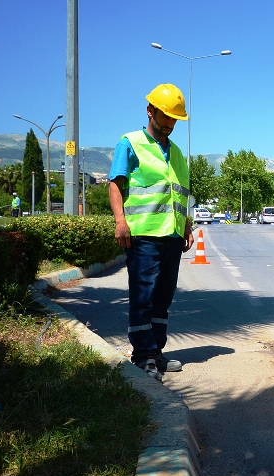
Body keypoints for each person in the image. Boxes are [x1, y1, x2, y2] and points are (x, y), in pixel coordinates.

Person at [108, 83, 194, 381]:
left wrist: (187, 224)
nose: (170, 123)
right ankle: (142, 355)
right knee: (142, 296)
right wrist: (120, 221)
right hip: (142, 234)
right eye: (166, 116)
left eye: (174, 119)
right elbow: (115, 184)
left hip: (171, 235)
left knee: (163, 297)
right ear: (150, 111)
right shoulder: (129, 143)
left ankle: (156, 351)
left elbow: (180, 194)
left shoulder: (178, 154)